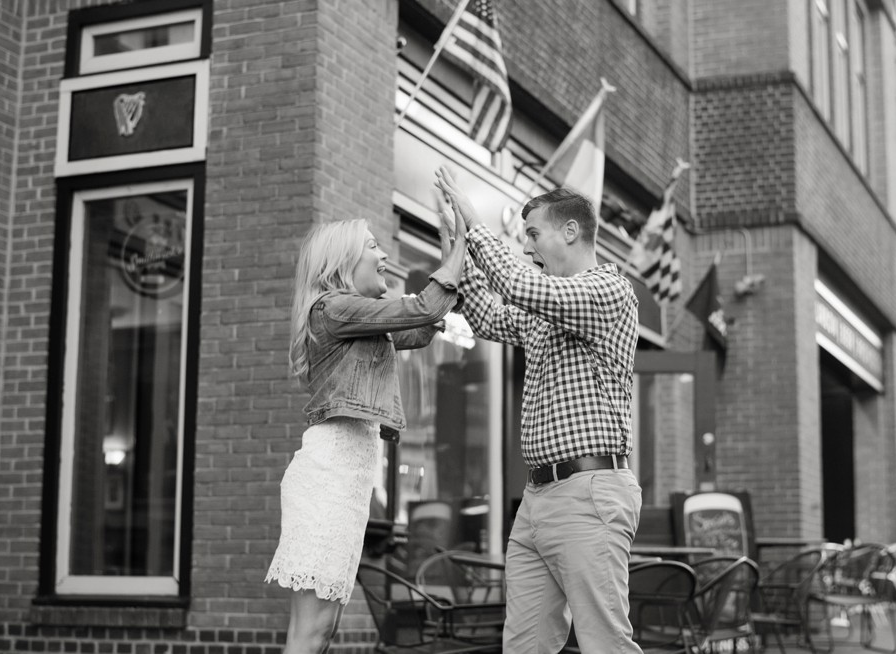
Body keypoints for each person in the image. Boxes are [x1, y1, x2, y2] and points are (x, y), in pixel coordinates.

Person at [435, 166, 645, 654]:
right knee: (524, 645)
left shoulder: (609, 291)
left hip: (588, 491)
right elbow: (487, 314)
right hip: (537, 500)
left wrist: (474, 223)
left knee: (605, 643)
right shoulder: (544, 310)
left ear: (570, 231)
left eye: (533, 234)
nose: (527, 246)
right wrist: (455, 241)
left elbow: (516, 284)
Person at [265, 215, 466, 654]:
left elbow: (420, 326)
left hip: (346, 483)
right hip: (328, 477)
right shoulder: (333, 308)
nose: (384, 255)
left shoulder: (360, 323)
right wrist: (453, 257)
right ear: (341, 261)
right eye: (373, 246)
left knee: (326, 627)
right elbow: (423, 309)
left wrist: (453, 269)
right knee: (311, 631)